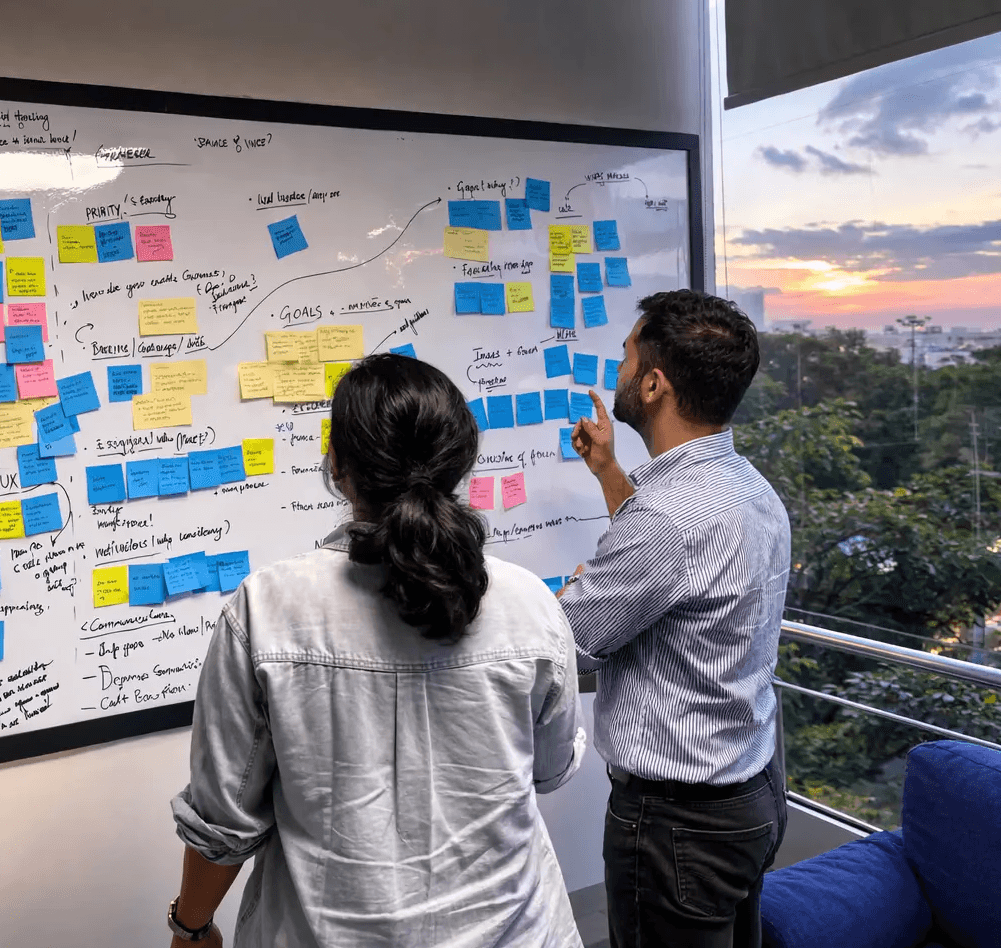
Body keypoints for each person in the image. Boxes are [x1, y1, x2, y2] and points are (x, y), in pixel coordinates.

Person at [168, 353, 586, 948]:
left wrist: (190, 924)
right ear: (459, 461)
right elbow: (550, 769)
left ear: (337, 464)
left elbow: (223, 821)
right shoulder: (530, 603)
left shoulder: (265, 609)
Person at [558, 290, 790, 948]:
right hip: (749, 793)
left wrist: (577, 593)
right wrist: (606, 469)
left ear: (655, 384)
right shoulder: (747, 487)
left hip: (675, 823)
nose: (619, 369)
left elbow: (570, 644)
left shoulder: (666, 521)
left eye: (627, 356)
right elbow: (670, 561)